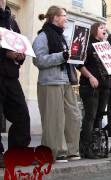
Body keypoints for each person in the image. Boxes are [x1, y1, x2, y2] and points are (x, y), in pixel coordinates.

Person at [33, 6, 81, 162]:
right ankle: (56, 151)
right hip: (50, 82)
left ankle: (71, 150)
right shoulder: (43, 36)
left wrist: (77, 55)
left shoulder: (62, 37)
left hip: (66, 81)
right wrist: (62, 56)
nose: (66, 18)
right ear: (55, 17)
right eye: (64, 16)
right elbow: (38, 60)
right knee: (54, 119)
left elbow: (67, 58)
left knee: (74, 116)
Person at [0, 0, 31, 167]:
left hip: (11, 76)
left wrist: (20, 56)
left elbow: (20, 45)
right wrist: (5, 53)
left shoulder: (12, 21)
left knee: (21, 114)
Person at [77, 22, 110, 159]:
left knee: (99, 116)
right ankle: (85, 148)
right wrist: (90, 76)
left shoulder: (104, 46)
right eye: (101, 28)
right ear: (95, 30)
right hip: (89, 86)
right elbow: (79, 63)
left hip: (103, 86)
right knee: (90, 117)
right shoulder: (87, 45)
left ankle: (96, 146)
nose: (104, 30)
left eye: (105, 28)